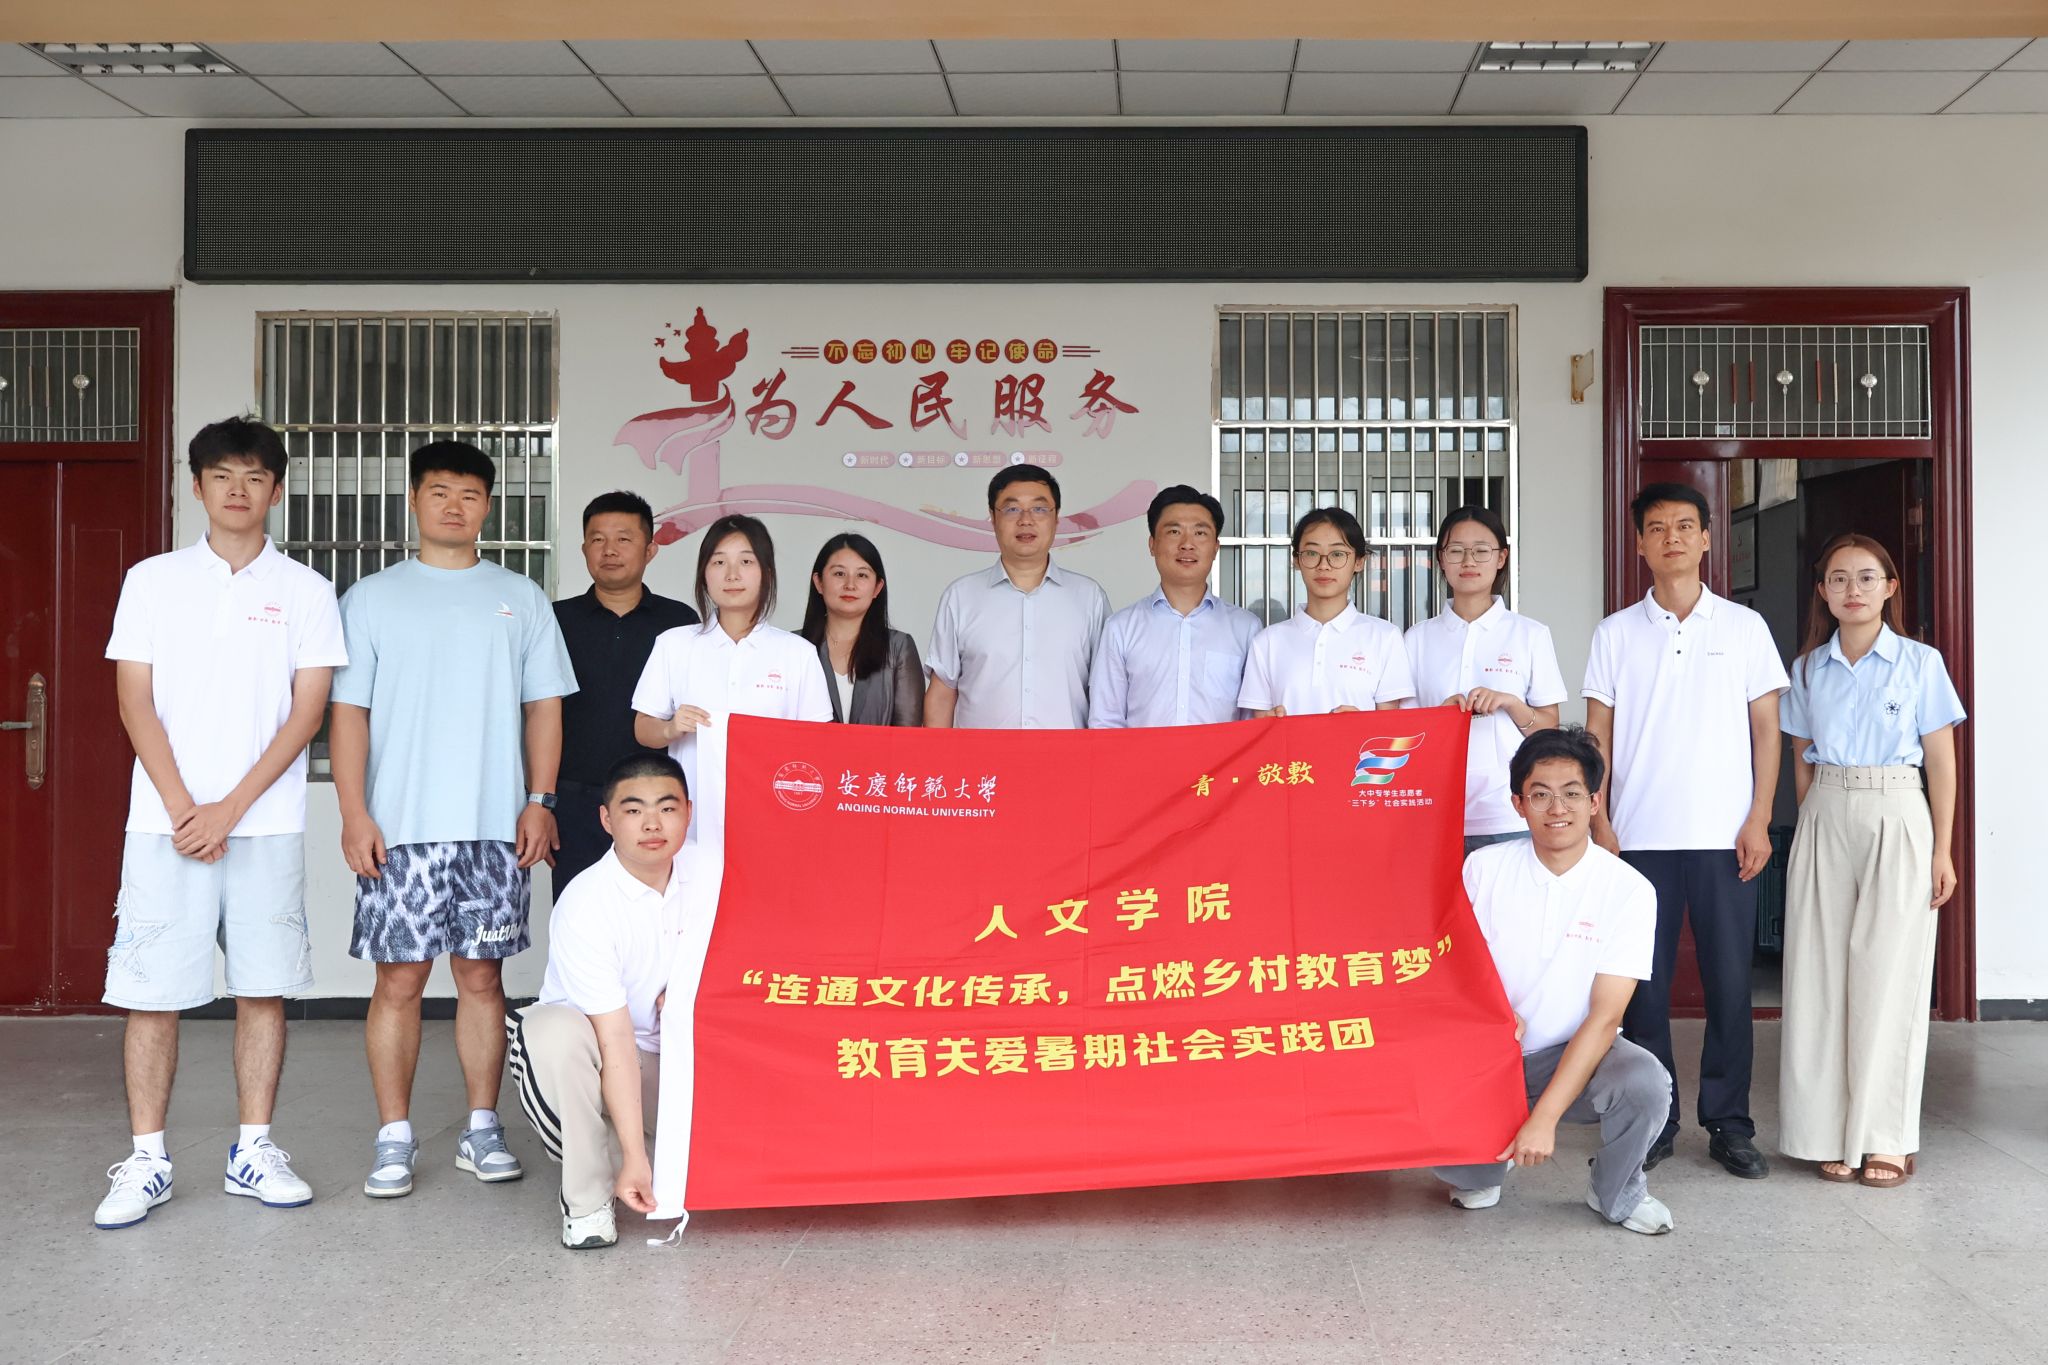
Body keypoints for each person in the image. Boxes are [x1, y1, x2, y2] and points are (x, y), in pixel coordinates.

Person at [94, 417, 347, 1230]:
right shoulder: (152, 580)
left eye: (255, 476)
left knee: (262, 989)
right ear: (196, 484)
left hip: (264, 825)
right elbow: (134, 699)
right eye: (223, 475)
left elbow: (307, 712)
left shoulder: (306, 590)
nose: (239, 490)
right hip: (162, 824)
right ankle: (147, 1159)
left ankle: (253, 1149)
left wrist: (228, 810)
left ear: (277, 489)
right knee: (152, 995)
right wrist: (184, 808)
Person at [331, 440, 577, 1200]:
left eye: (469, 494)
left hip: (493, 827)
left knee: (481, 976)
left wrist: (540, 800)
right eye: (438, 491)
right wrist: (354, 813)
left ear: (488, 507)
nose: (453, 506)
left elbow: (544, 708)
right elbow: (348, 714)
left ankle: (481, 1127)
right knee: (399, 980)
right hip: (399, 827)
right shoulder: (371, 598)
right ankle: (394, 1137)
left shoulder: (520, 597)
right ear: (413, 500)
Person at [1583, 482, 1788, 1180]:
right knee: (1643, 987)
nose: (1671, 537)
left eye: (1684, 526)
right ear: (1639, 543)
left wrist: (1759, 816)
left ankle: (1730, 1123)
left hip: (1725, 837)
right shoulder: (1614, 633)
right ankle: (1656, 1118)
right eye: (1657, 527)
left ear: (1706, 539)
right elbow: (1598, 734)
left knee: (1731, 985)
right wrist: (1601, 820)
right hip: (1637, 837)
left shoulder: (1744, 627)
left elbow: (1768, 730)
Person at [1433, 727, 1674, 1235]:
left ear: (1594, 802)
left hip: (1574, 1054)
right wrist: (1492, 1012)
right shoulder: (1483, 868)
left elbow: (1606, 1017)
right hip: (1488, 1054)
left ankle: (1615, 1189)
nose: (1556, 808)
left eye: (1571, 794)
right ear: (1518, 805)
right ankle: (1485, 1158)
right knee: (1467, 1180)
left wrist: (1543, 1119)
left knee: (1645, 1083)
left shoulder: (1629, 890)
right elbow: (1452, 968)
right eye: (1540, 794)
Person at [1778, 535, 1964, 1188]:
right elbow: (1801, 760)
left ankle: (1885, 1137)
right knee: (1819, 975)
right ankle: (1825, 1133)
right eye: (1838, 578)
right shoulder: (1807, 669)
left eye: (1865, 577)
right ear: (1822, 592)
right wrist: (1813, 822)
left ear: (1890, 586)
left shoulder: (1920, 663)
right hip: (1826, 811)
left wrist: (1942, 848)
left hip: (1898, 809)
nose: (1851, 589)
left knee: (1889, 976)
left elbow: (1941, 761)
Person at [507, 751, 719, 1249]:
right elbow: (615, 1038)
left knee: (718, 1159)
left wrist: (693, 987)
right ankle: (588, 1202)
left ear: (689, 812)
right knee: (554, 1030)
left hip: (676, 1061)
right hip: (598, 1057)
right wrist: (636, 1159)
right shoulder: (587, 903)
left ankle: (626, 1149)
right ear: (606, 820)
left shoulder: (712, 870)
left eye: (667, 808)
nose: (652, 824)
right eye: (633, 809)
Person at [632, 514, 830, 848]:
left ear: (766, 573)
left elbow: (819, 746)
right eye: (719, 562)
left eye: (746, 562)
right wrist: (670, 729)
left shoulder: (797, 653)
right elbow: (643, 728)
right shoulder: (674, 644)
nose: (732, 574)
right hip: (690, 824)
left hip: (772, 824)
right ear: (704, 574)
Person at [553, 491, 699, 890]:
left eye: (624, 539)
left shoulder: (680, 622)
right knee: (580, 907)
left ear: (650, 550)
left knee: (662, 908)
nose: (609, 550)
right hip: (575, 801)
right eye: (598, 539)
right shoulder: (556, 620)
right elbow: (536, 713)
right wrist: (543, 802)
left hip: (656, 803)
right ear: (584, 548)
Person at [1403, 506, 1566, 854]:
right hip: (1432, 810)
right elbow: (1401, 730)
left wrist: (1511, 703)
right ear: (1440, 559)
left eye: (1481, 550)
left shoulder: (1530, 634)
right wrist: (1440, 717)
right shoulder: (1416, 638)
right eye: (1456, 550)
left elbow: (1549, 728)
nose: (1468, 561)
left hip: (1507, 814)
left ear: (1501, 558)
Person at [924, 466, 1110, 729]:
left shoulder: (1089, 598)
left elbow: (1106, 693)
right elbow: (942, 693)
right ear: (993, 517)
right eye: (1012, 509)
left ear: (1056, 518)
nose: (1026, 520)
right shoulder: (961, 597)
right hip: (982, 755)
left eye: (1039, 509)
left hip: (1066, 754)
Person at [1088, 484, 1260, 728]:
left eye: (1200, 533)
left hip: (1223, 756)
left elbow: (1252, 723)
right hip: (1143, 755)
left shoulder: (1246, 628)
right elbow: (1106, 721)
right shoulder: (1121, 628)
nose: (1187, 544)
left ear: (1215, 548)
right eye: (1174, 532)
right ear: (1152, 544)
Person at [1237, 506, 1415, 716]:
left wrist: (1362, 725)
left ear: (1359, 562)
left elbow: (1391, 726)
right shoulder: (1267, 642)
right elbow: (1258, 723)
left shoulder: (1385, 637)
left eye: (1337, 554)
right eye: (1311, 553)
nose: (1324, 565)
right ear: (1296, 560)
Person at [799, 531, 925, 726]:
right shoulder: (792, 647)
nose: (850, 585)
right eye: (839, 574)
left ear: (877, 588)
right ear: (819, 582)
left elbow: (907, 734)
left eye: (862, 575)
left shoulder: (899, 648)